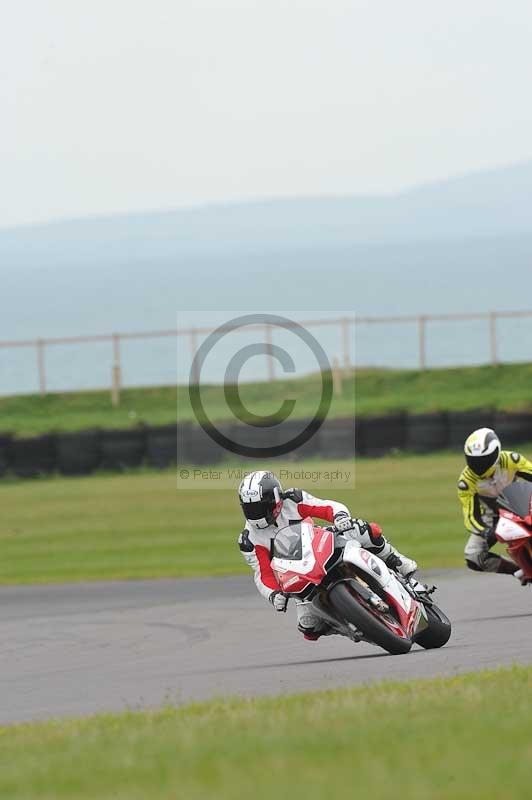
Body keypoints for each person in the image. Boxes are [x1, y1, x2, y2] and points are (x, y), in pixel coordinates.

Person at [237, 470, 418, 640]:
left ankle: (398, 562)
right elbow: (263, 573)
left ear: (276, 499)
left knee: (364, 530)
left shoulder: (293, 500)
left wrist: (340, 517)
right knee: (309, 627)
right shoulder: (249, 539)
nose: (257, 514)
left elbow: (326, 507)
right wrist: (274, 594)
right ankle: (350, 624)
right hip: (298, 575)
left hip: (320, 544)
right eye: (251, 509)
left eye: (261, 507)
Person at [459, 427, 532, 583]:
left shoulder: (511, 460)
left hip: (522, 505)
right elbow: (470, 516)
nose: (478, 465)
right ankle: (519, 571)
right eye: (474, 460)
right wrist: (485, 532)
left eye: (484, 459)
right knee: (473, 555)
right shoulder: (466, 481)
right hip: (493, 518)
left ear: (496, 454)